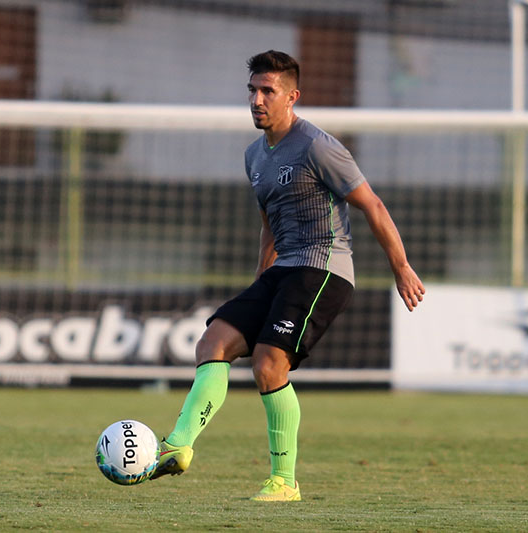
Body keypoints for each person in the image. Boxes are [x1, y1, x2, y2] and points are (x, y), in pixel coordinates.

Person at [150, 51, 425, 501]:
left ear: (292, 97)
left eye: (268, 91)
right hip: (283, 270)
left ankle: (284, 481)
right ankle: (178, 446)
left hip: (323, 268)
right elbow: (269, 225)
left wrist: (402, 267)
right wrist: (262, 280)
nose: (257, 100)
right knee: (213, 342)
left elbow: (372, 205)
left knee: (268, 363)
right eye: (252, 91)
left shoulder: (318, 146)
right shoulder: (254, 156)